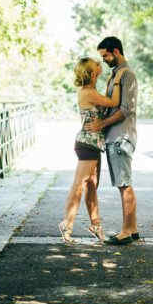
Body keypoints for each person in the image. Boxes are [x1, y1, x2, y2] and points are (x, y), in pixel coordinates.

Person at [58, 57, 127, 244]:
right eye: (97, 64)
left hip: (94, 144)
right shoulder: (88, 92)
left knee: (91, 186)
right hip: (87, 144)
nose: (100, 65)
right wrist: (119, 79)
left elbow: (105, 101)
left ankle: (95, 225)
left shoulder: (91, 91)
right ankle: (67, 223)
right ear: (92, 71)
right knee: (79, 184)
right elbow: (114, 102)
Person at [85, 36, 139, 246]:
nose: (104, 59)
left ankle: (126, 231)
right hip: (114, 136)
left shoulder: (127, 75)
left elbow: (126, 109)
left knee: (124, 184)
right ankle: (132, 229)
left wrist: (102, 124)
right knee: (123, 183)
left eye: (106, 55)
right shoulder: (116, 75)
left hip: (120, 137)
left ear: (116, 51)